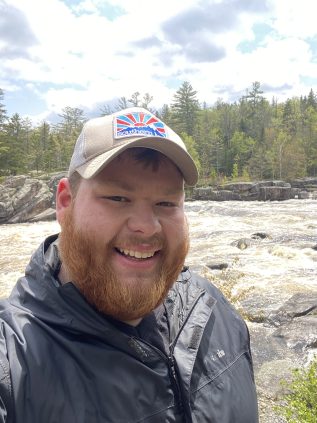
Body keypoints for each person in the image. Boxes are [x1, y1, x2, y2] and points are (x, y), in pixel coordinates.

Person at [0, 107, 258, 422]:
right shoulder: (13, 365)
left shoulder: (213, 312)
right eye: (118, 198)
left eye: (166, 203)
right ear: (65, 203)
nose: (147, 227)